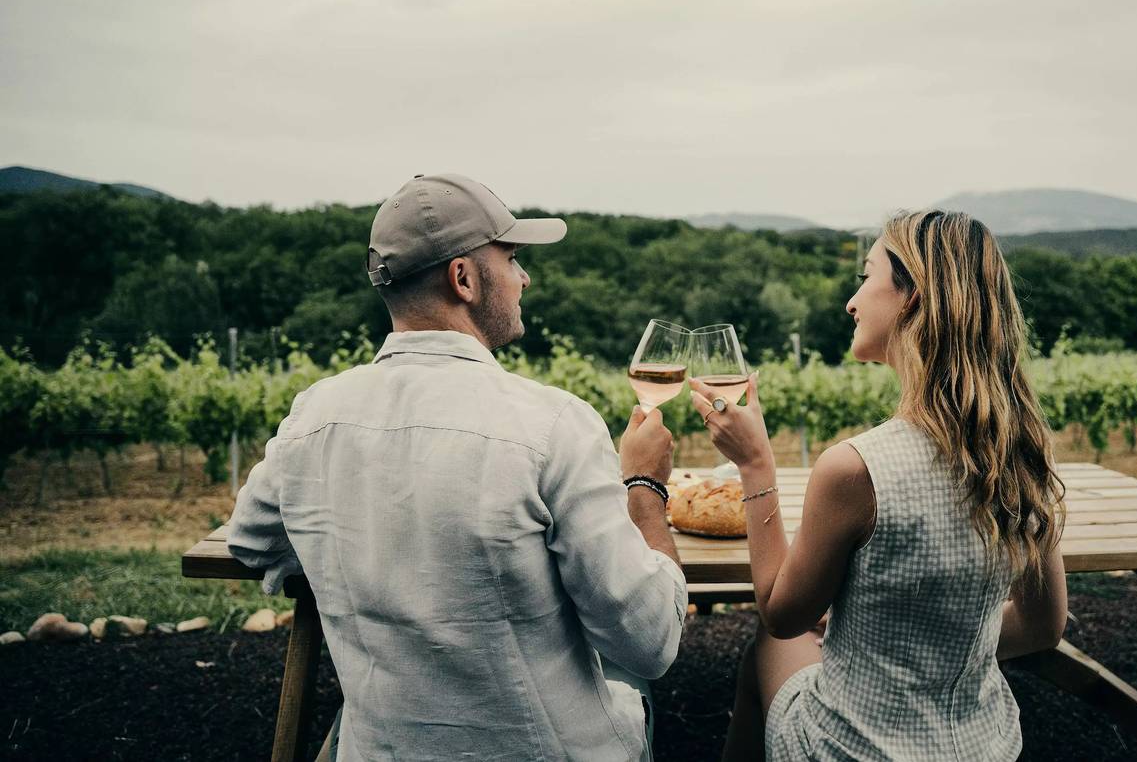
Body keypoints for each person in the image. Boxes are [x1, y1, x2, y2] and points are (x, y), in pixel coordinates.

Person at [227, 173, 687, 762]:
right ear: (464, 278)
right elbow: (650, 641)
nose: (525, 278)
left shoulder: (314, 416)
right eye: (514, 258)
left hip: (380, 749)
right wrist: (644, 488)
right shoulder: (554, 425)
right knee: (632, 685)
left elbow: (251, 543)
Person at [692, 209, 1068, 762]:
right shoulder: (1020, 452)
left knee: (771, 645)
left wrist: (756, 466)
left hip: (852, 750)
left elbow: (781, 611)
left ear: (910, 296)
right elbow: (1043, 627)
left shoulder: (854, 468)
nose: (852, 301)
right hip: (986, 747)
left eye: (866, 277)